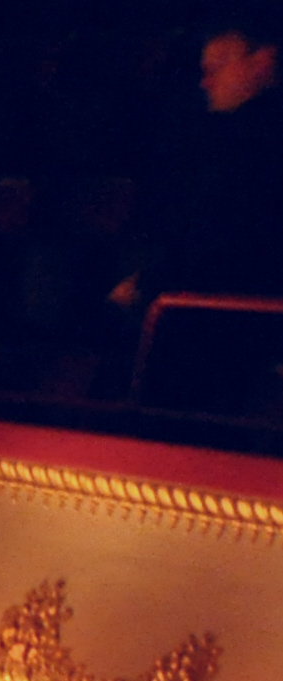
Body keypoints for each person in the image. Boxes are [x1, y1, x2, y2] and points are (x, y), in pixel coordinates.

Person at [114, 24, 283, 405]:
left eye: (217, 67)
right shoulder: (232, 137)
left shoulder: (250, 143)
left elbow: (218, 237)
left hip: (226, 316)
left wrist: (148, 282)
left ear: (261, 62)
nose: (205, 82)